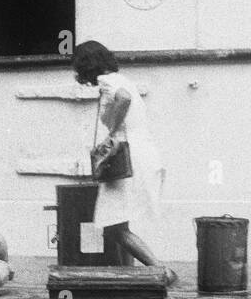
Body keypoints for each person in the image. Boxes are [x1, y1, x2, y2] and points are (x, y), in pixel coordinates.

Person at [72, 39, 177, 284]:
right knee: (117, 223)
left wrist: (111, 132)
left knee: (114, 227)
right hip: (141, 153)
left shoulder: (108, 82)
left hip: (128, 158)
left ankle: (162, 271)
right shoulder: (123, 79)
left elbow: (124, 99)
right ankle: (132, 276)